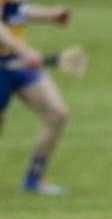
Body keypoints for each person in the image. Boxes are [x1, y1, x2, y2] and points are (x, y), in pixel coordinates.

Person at [0, 1, 71, 194]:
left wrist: (50, 15)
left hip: (18, 64)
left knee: (57, 113)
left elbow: (17, 9)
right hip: (11, 61)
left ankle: (33, 180)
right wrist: (24, 51)